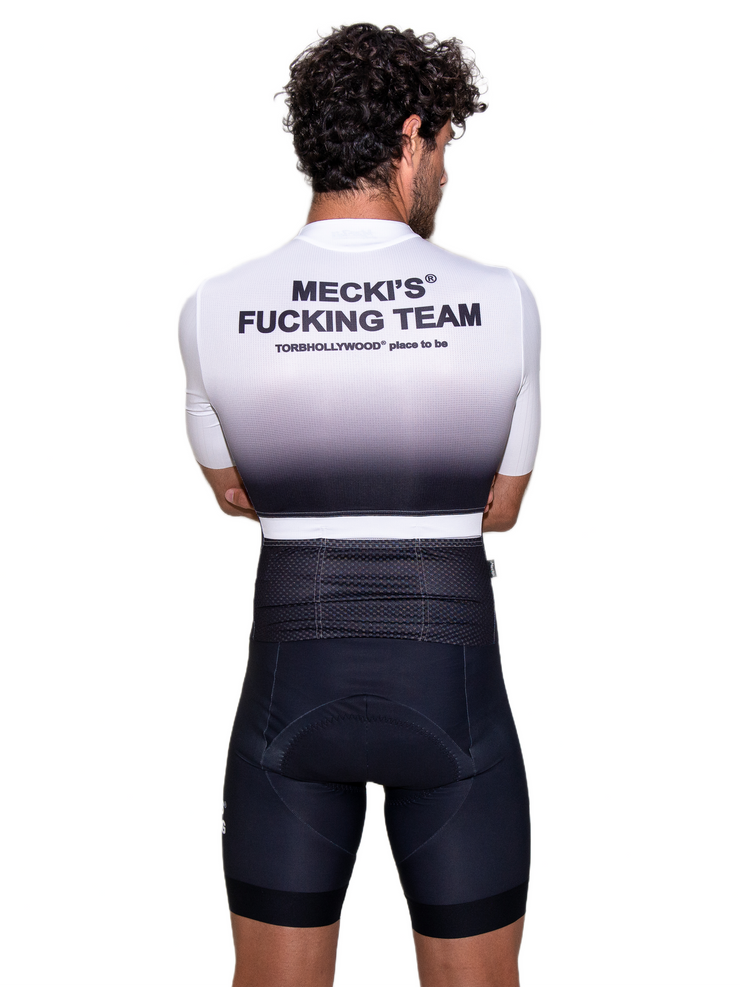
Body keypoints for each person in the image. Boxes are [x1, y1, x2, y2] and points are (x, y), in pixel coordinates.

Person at [179, 23, 541, 987]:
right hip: (452, 698)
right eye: (446, 148)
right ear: (412, 135)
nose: (446, 174)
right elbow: (500, 507)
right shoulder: (502, 301)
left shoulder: (215, 307)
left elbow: (239, 491)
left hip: (290, 698)